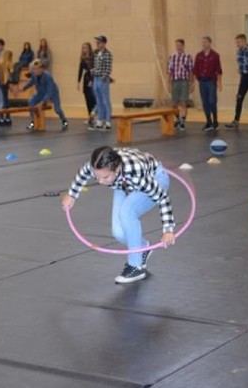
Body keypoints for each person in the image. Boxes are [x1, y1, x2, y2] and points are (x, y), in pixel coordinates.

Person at [61, 146, 175, 284]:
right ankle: (142, 248)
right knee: (118, 232)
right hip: (123, 184)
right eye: (97, 177)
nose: (100, 182)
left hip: (154, 178)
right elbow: (82, 174)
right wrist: (71, 194)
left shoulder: (135, 172)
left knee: (127, 212)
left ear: (117, 169)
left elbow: (162, 198)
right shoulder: (98, 165)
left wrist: (168, 230)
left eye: (105, 177)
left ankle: (136, 267)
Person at [16, 59, 68, 131]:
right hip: (41, 92)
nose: (35, 71)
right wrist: (22, 89)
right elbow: (31, 83)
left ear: (41, 69)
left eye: (36, 69)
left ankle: (64, 120)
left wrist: (42, 102)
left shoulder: (48, 77)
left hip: (53, 93)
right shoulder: (34, 75)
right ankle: (33, 122)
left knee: (57, 109)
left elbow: (49, 92)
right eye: (34, 69)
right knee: (31, 102)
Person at [226, 34, 248, 129]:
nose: (237, 44)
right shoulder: (239, 52)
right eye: (236, 42)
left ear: (244, 41)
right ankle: (236, 120)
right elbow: (241, 64)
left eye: (238, 42)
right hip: (244, 77)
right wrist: (240, 70)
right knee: (239, 98)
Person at [193, 36, 222, 132]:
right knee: (205, 102)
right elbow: (195, 69)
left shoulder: (215, 55)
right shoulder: (199, 55)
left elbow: (219, 70)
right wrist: (194, 82)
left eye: (205, 42)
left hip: (211, 81)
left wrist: (219, 82)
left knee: (212, 101)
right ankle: (208, 121)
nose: (203, 44)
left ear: (209, 43)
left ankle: (215, 121)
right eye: (202, 42)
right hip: (202, 81)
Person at [167, 38, 194, 130]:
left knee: (183, 102)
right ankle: (177, 119)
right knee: (174, 103)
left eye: (179, 45)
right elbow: (169, 71)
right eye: (176, 45)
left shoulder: (188, 57)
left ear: (183, 46)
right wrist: (169, 83)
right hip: (175, 81)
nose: (178, 47)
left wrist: (191, 83)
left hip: (184, 81)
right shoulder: (172, 57)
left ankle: (182, 121)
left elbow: (191, 71)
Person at [91, 35, 113, 131]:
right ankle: (100, 120)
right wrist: (93, 71)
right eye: (97, 42)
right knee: (99, 101)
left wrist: (104, 77)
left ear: (103, 43)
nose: (97, 44)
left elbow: (108, 68)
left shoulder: (107, 54)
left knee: (105, 101)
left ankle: (108, 121)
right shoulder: (96, 54)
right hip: (96, 78)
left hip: (102, 79)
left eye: (99, 42)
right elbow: (96, 66)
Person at [77, 42, 97, 127]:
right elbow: (80, 70)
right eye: (83, 48)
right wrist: (78, 82)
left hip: (91, 79)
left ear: (89, 48)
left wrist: (92, 80)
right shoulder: (83, 59)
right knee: (87, 99)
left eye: (85, 47)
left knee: (92, 99)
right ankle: (90, 117)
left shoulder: (92, 58)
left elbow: (94, 70)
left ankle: (95, 117)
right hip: (86, 79)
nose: (84, 49)